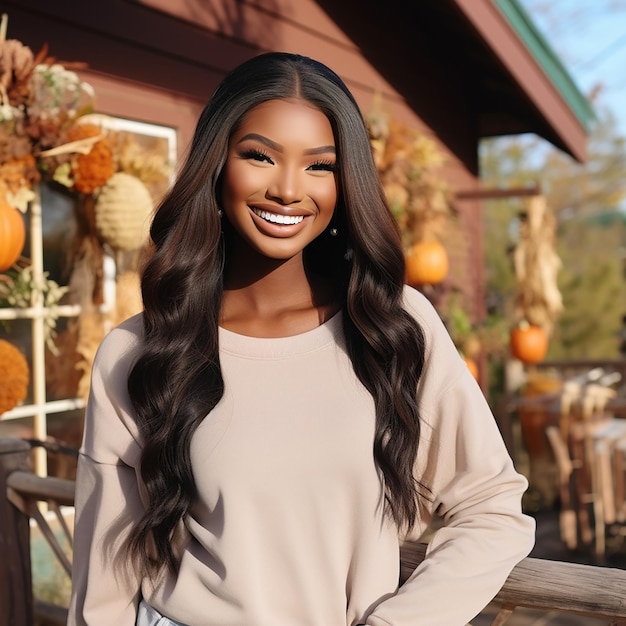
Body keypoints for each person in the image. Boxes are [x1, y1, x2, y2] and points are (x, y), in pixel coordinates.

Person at [68, 52, 535, 626]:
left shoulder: (392, 327)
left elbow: (491, 506)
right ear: (218, 165)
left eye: (319, 166)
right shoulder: (140, 349)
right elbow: (106, 578)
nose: (288, 190)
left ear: (346, 183)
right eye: (259, 156)